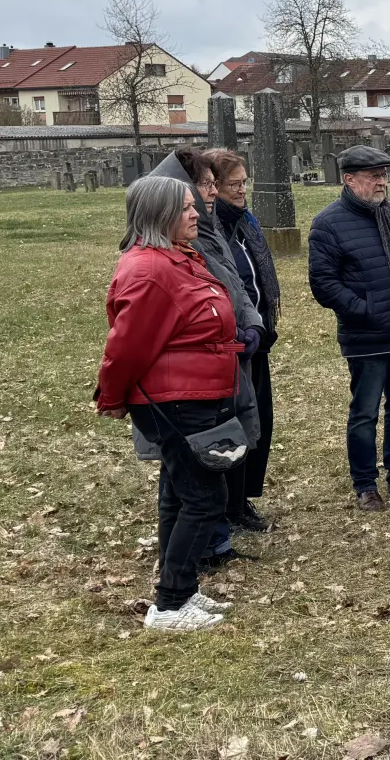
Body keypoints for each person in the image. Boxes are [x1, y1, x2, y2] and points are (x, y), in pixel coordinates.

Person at [97, 176, 239, 632]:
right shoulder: (149, 270)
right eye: (184, 208)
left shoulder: (177, 259)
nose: (195, 212)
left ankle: (181, 589)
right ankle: (171, 604)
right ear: (159, 215)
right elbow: (128, 345)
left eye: (193, 205)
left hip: (196, 392)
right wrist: (113, 395)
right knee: (204, 498)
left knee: (183, 495)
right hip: (175, 399)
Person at [310, 146, 390, 511]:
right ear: (349, 180)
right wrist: (365, 311)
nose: (382, 181)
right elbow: (324, 283)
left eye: (383, 174)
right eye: (373, 176)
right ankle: (365, 484)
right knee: (365, 412)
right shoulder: (328, 223)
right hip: (367, 336)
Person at [148, 150, 262, 571]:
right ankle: (188, 562)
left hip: (228, 355)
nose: (214, 191)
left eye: (216, 183)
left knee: (216, 451)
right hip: (195, 372)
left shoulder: (207, 231)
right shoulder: (162, 255)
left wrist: (250, 323)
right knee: (191, 466)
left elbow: (234, 284)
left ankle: (214, 542)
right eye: (205, 184)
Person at [202, 149, 279, 532]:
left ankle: (244, 496)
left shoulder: (245, 224)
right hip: (231, 344)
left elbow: (253, 278)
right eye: (234, 184)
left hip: (256, 337)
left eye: (244, 182)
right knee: (235, 423)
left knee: (259, 420)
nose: (241, 190)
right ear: (212, 186)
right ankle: (230, 503)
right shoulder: (209, 231)